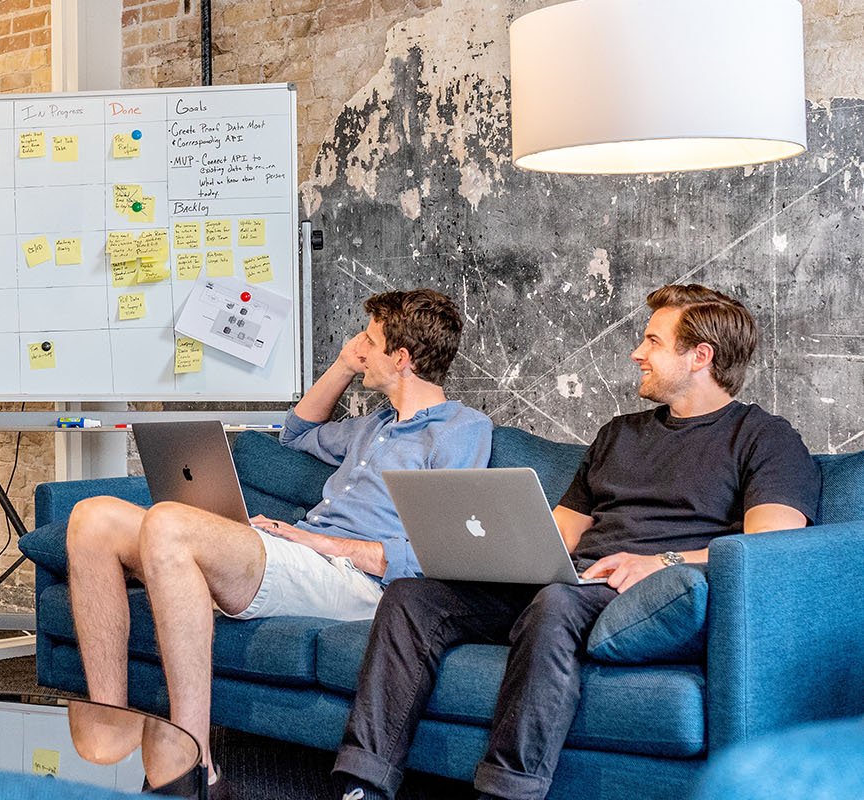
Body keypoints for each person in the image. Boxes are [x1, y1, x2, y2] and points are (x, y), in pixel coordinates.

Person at [333, 284, 819, 800]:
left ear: (701, 356)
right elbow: (561, 530)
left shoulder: (764, 437)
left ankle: (507, 792)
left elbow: (772, 542)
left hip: (654, 592)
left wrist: (662, 561)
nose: (637, 353)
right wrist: (498, 551)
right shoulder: (618, 435)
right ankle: (362, 785)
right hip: (576, 581)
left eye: (653, 341)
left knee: (556, 601)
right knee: (413, 596)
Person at [66, 289, 493, 793]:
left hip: (356, 583)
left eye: (369, 341)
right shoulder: (372, 427)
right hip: (302, 558)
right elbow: (295, 432)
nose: (358, 346)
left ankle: (195, 763)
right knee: (91, 518)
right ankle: (110, 719)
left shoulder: (461, 430)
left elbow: (439, 553)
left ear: (400, 359)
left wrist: (321, 543)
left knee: (168, 524)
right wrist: (340, 365)